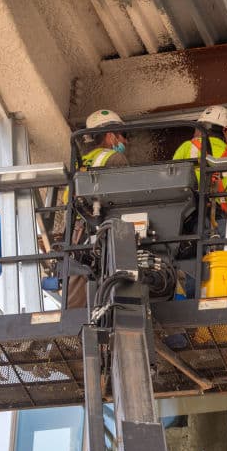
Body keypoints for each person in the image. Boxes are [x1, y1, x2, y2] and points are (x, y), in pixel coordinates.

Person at [66, 109, 129, 308]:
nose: (125, 142)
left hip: (79, 230)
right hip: (105, 225)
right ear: (111, 136)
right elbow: (127, 197)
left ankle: (72, 324)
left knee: (79, 278)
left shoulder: (82, 162)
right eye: (123, 136)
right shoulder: (114, 158)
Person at [172, 105, 227, 213]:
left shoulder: (187, 147)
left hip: (191, 215)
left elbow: (172, 181)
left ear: (199, 129)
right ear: (226, 131)